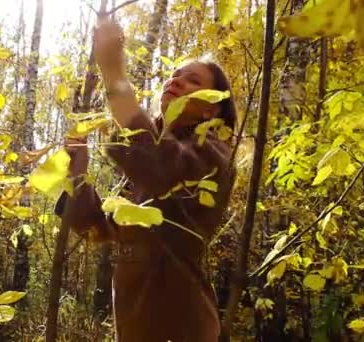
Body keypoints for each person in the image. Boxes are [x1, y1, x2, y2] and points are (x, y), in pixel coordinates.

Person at [55, 15, 237, 342]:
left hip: (182, 324)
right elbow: (98, 228)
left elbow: (162, 168)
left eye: (192, 81)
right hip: (134, 322)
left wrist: (113, 73)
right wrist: (78, 168)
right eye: (174, 75)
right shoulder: (148, 154)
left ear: (212, 110)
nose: (176, 81)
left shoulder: (213, 152)